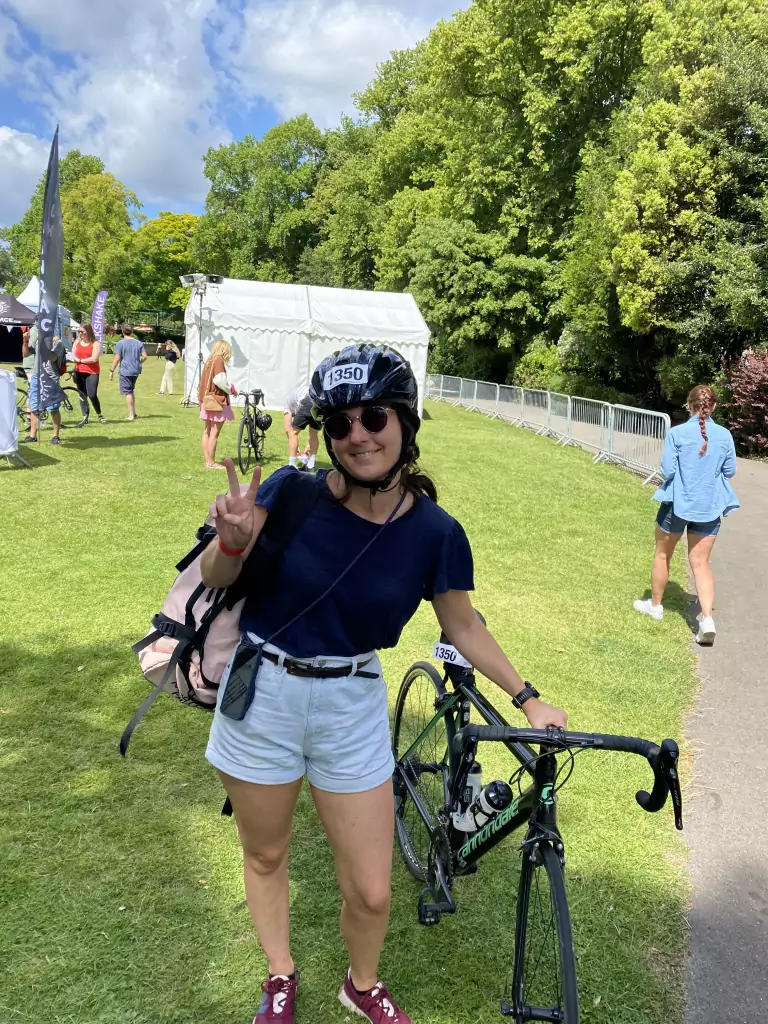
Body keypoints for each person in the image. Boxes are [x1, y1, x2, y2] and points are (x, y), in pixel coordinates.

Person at [201, 344, 568, 1024]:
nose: (357, 435)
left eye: (374, 417)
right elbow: (220, 584)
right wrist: (231, 539)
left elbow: (462, 624)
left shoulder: (436, 533)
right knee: (266, 852)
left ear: (404, 423)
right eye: (339, 424)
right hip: (264, 692)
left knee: (371, 890)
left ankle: (360, 984)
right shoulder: (292, 492)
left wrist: (528, 696)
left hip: (351, 704)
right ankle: (279, 973)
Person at [633, 384, 739, 644]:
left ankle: (655, 606)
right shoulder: (724, 435)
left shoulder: (677, 433)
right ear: (713, 406)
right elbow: (730, 471)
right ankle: (707, 618)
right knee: (700, 563)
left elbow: (668, 470)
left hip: (676, 504)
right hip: (709, 507)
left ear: (688, 405)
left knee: (662, 554)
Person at [20, 332, 65, 446]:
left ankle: (55, 435)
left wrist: (45, 345)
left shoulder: (57, 342)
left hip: (50, 378)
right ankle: (32, 435)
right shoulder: (37, 340)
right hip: (36, 377)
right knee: (34, 407)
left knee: (53, 408)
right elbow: (25, 354)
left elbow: (52, 358)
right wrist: (25, 342)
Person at [199, 339, 235, 469]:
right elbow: (220, 381)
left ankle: (208, 460)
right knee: (214, 433)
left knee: (207, 431)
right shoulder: (218, 361)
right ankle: (211, 462)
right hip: (216, 400)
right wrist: (231, 389)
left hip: (207, 399)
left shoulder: (210, 360)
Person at [109, 325, 147, 420]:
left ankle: (131, 415)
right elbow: (145, 356)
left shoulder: (120, 343)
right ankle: (133, 412)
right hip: (136, 370)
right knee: (131, 390)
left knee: (128, 392)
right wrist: (139, 362)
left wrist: (111, 370)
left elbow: (117, 358)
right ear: (132, 331)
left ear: (122, 332)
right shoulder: (138, 343)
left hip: (126, 370)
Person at [72, 323, 106, 427]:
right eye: (79, 332)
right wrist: (75, 359)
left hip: (92, 372)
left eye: (82, 332)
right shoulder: (77, 342)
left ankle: (99, 414)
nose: (80, 334)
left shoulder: (95, 343)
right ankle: (85, 416)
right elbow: (73, 353)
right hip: (79, 371)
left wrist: (80, 360)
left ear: (89, 332)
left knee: (92, 395)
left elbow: (94, 358)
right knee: (82, 395)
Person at [283, 383, 320, 470]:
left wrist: (295, 449)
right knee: (314, 433)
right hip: (320, 402)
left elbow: (288, 429)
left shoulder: (287, 403)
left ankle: (292, 464)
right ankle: (311, 464)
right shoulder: (295, 397)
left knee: (293, 433)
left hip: (308, 399)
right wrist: (308, 445)